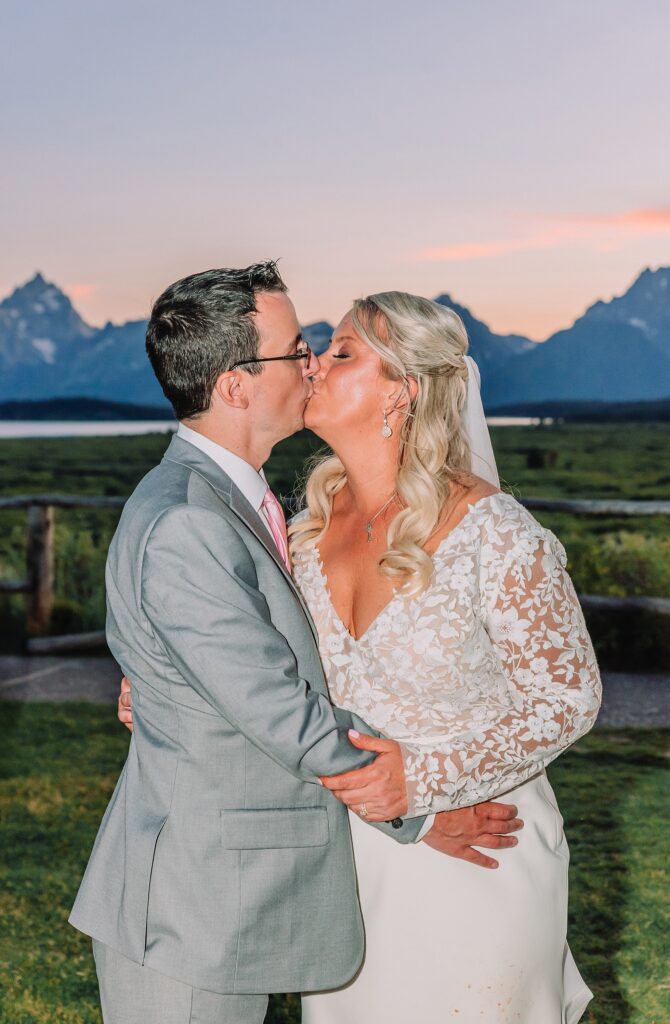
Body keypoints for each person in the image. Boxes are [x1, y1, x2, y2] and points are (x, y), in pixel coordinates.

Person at [71, 264, 522, 1024]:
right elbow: (279, 709)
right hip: (191, 908)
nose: (312, 366)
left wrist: (164, 684)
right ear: (236, 386)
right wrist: (418, 806)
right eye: (296, 350)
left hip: (222, 894)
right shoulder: (188, 521)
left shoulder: (231, 500)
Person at [285, 291, 602, 1023]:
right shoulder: (303, 533)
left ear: (401, 391)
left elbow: (569, 699)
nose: (313, 364)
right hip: (349, 861)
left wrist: (426, 780)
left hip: (481, 849)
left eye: (341, 352)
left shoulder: (493, 531)